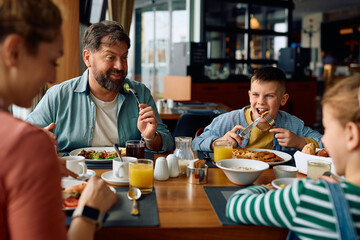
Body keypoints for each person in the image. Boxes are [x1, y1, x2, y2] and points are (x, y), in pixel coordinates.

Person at [0, 1, 117, 239]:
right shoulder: (25, 143)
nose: (52, 77)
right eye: (52, 62)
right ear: (13, 51)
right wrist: (89, 211)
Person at [225, 75, 360, 239]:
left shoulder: (306, 196)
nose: (323, 139)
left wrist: (266, 188)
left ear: (352, 135)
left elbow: (235, 206)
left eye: (327, 128)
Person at [26, 20, 173, 152]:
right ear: (87, 58)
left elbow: (167, 142)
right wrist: (37, 140)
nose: (120, 66)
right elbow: (22, 140)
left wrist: (151, 138)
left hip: (125, 178)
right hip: (75, 177)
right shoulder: (58, 96)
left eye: (124, 57)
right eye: (110, 57)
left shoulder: (140, 93)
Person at [192, 66, 323, 152]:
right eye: (256, 95)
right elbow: (195, 143)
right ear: (249, 96)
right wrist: (217, 143)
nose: (261, 101)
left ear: (283, 99)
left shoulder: (292, 125)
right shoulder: (228, 121)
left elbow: (324, 144)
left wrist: (299, 141)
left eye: (269, 96)